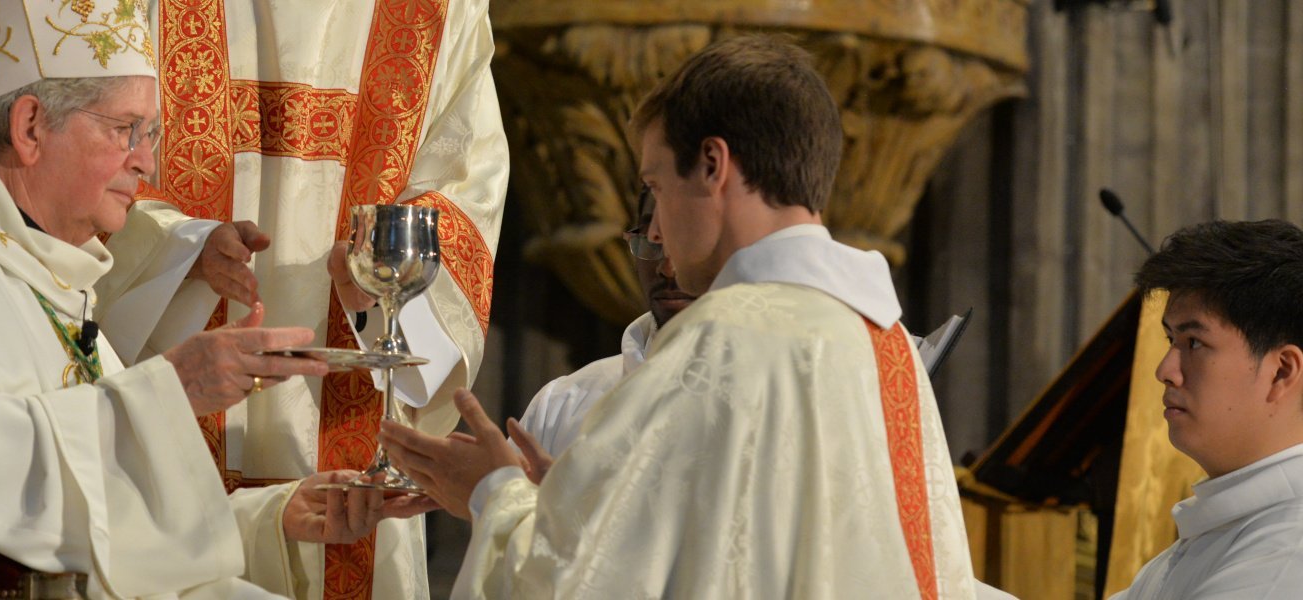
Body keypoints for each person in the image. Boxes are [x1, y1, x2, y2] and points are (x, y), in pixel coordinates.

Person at [0, 2, 434, 598]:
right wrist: (172, 387)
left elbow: (96, 511)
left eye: (152, 133)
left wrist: (270, 518)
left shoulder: (41, 272)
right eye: (127, 129)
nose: (148, 165)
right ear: (28, 128)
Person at [379, 36, 981, 598]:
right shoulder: (885, 343)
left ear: (714, 165)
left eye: (658, 186)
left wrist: (490, 493)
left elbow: (582, 585)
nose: (658, 231)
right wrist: (577, 502)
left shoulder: (722, 340)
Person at [91, 1, 508, 596]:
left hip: (347, 415)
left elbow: (469, 187)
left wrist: (379, 278)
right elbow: (80, 149)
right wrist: (183, 251)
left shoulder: (438, 11)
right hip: (176, 386)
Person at [1108, 220, 1303, 599]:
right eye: (1170, 339)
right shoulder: (1224, 528)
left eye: (1194, 343)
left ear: (1282, 371)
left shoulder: (1287, 554)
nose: (1165, 371)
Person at [510, 188, 697, 474]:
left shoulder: (770, 391)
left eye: (686, 238)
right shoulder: (560, 405)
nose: (666, 268)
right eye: (650, 240)